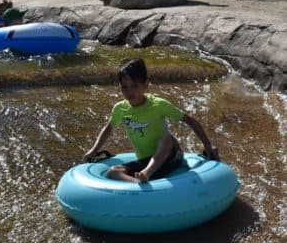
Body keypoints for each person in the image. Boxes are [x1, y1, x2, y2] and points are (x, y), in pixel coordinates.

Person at [83, 58, 219, 183]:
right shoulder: (120, 109)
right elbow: (109, 128)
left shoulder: (158, 105)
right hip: (145, 161)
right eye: (124, 86)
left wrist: (208, 145)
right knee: (112, 172)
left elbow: (190, 120)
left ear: (146, 83)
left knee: (166, 139)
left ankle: (147, 174)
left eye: (135, 85)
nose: (129, 92)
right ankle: (139, 184)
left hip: (171, 158)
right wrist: (94, 150)